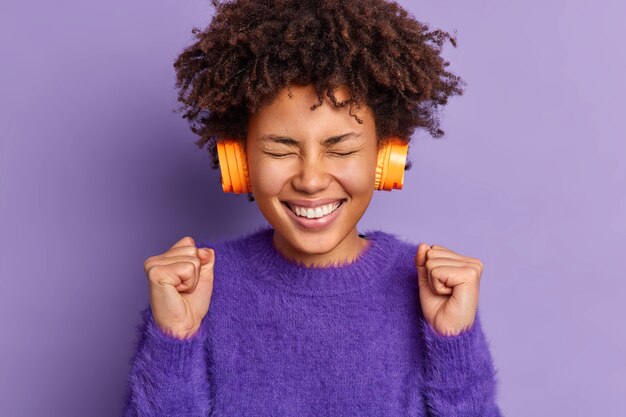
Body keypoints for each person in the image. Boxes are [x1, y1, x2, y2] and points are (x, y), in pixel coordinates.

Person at [121, 0, 503, 415]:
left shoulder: (432, 290)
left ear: (385, 155)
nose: (311, 179)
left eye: (341, 149)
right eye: (280, 150)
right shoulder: (197, 290)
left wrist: (454, 344)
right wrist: (175, 336)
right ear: (239, 160)